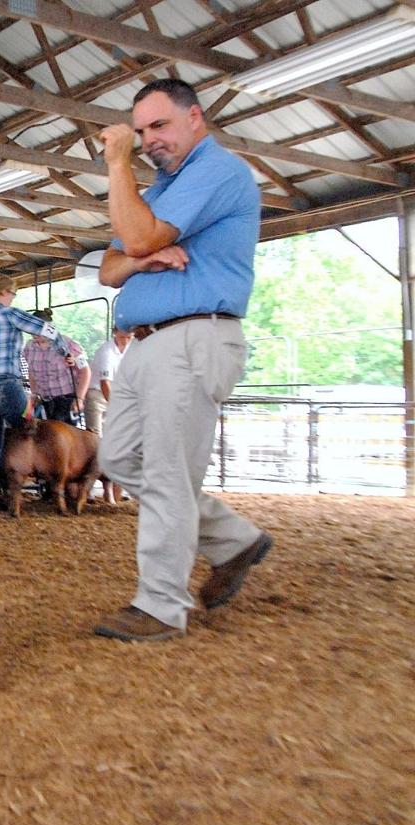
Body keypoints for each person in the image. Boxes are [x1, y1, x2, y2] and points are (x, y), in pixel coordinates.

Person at [94, 78, 272, 642]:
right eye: (140, 131)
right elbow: (109, 267)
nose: (149, 140)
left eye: (159, 125)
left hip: (193, 336)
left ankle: (160, 607)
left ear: (195, 117)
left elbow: (134, 237)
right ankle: (234, 540)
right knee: (119, 458)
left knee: (168, 473)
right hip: (145, 343)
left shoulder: (216, 171)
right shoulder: (164, 188)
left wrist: (117, 164)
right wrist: (141, 259)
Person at [0, 276, 73, 510]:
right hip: (5, 385)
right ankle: (51, 483)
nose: (13, 298)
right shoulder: (11, 314)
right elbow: (48, 330)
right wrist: (64, 350)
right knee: (32, 424)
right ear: (5, 292)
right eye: (13, 294)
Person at [23, 308, 90, 426]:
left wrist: (79, 399)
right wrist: (34, 394)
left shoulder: (67, 344)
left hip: (66, 401)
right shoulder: (29, 348)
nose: (34, 333)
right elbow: (31, 372)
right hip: (44, 402)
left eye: (37, 329)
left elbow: (85, 371)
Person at [84, 326, 132, 437]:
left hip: (116, 394)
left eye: (129, 338)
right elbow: (105, 384)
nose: (125, 341)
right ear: (115, 333)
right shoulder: (106, 352)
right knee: (95, 438)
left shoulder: (131, 349)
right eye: (122, 337)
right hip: (97, 396)